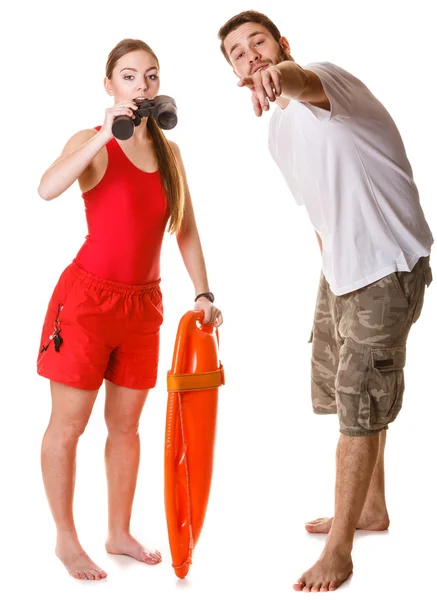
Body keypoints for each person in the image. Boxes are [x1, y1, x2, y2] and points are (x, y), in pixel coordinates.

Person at [218, 11, 433, 593]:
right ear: (233, 72)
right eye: (237, 53)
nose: (251, 56)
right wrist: (332, 273)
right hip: (343, 270)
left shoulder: (325, 79)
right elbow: (318, 209)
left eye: (257, 42)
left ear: (283, 44)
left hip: (386, 269)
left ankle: (340, 551)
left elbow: (297, 82)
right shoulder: (277, 133)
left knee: (359, 403)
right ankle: (371, 509)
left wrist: (279, 77)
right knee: (351, 397)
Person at [37, 38, 223, 581]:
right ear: (109, 85)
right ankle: (66, 540)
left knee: (126, 428)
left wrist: (203, 293)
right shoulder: (91, 142)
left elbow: (184, 228)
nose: (140, 87)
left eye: (150, 77)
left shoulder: (170, 154)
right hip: (87, 302)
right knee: (67, 427)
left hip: (144, 306)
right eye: (128, 77)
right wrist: (101, 133)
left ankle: (117, 531)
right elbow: (47, 188)